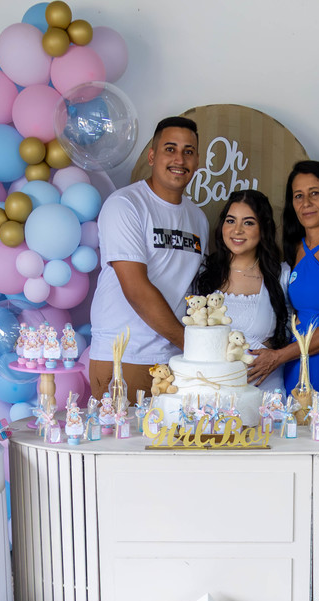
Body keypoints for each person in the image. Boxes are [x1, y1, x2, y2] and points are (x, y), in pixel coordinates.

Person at [88, 116, 208, 402]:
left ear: (197, 161)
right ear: (152, 156)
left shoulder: (198, 218)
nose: (179, 159)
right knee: (125, 432)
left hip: (177, 360)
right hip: (125, 355)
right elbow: (136, 290)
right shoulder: (125, 204)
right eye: (170, 149)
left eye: (188, 151)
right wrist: (194, 346)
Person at [250, 161, 319, 401]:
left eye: (315, 193)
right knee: (293, 423)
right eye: (298, 196)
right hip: (296, 361)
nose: (306, 203)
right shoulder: (296, 249)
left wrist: (278, 357)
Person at [190, 190, 290, 393]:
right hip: (210, 393)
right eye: (230, 221)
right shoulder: (204, 272)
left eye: (248, 223)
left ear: (263, 228)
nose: (237, 230)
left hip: (265, 393)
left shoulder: (281, 275)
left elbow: (292, 330)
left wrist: (277, 354)